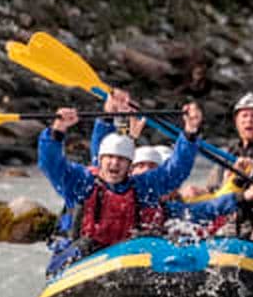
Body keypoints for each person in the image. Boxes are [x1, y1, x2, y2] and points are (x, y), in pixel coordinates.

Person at [37, 98, 202, 264]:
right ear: (100, 160)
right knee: (86, 245)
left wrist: (190, 132)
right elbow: (51, 164)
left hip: (122, 258)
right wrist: (57, 131)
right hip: (79, 258)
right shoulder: (82, 184)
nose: (114, 163)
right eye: (109, 157)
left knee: (148, 239)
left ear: (130, 166)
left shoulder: (141, 187)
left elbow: (174, 171)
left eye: (121, 159)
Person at [184, 92, 253, 250]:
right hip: (238, 221)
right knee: (212, 241)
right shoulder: (230, 153)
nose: (248, 120)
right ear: (236, 122)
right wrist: (199, 192)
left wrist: (238, 176)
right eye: (244, 116)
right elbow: (216, 189)